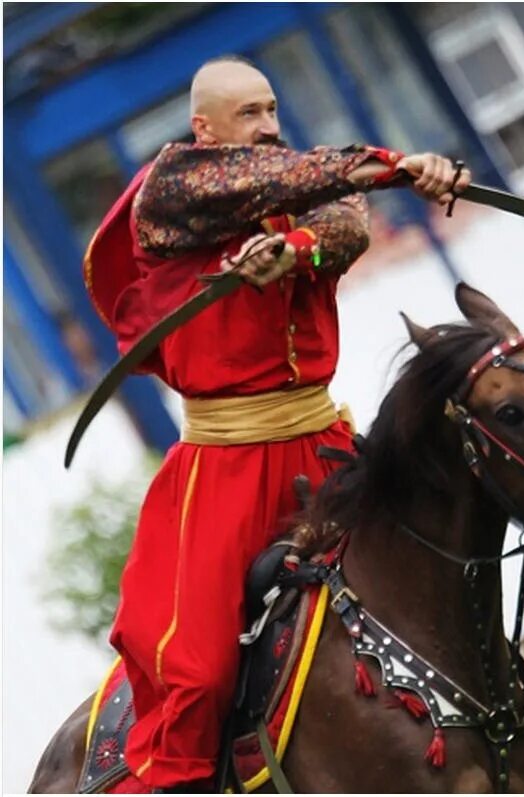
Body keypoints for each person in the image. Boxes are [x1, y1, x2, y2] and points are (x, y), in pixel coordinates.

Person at [83, 54, 470, 792]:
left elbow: (343, 218)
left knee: (433, 574)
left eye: (271, 109)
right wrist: (395, 164)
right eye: (249, 114)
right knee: (193, 670)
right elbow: (275, 182)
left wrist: (295, 251)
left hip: (322, 446)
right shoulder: (172, 189)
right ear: (204, 127)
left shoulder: (303, 184)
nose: (269, 127)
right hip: (224, 473)